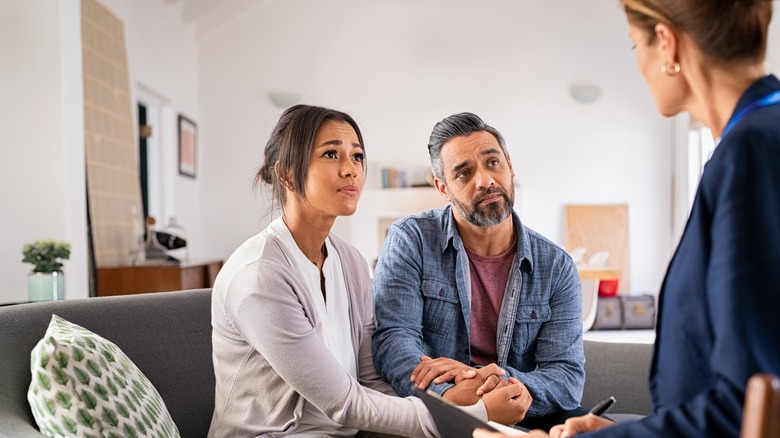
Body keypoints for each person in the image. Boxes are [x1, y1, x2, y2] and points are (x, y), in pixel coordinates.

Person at [475, 0, 780, 437]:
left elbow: (750, 407)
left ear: (666, 43)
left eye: (635, 45)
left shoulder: (752, 153)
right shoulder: (756, 139)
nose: (638, 62)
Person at [208, 104, 527, 437]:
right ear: (287, 174)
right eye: (331, 155)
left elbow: (371, 381)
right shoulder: (260, 274)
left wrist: (445, 403)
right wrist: (475, 413)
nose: (351, 170)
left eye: (357, 157)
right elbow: (344, 402)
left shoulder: (350, 262)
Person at [372, 112, 587, 432]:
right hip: (442, 409)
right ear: (442, 188)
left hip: (522, 406)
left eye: (493, 163)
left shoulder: (556, 266)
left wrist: (502, 382)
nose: (485, 180)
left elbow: (566, 374)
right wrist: (454, 397)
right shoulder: (411, 239)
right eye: (464, 173)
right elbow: (395, 341)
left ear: (510, 165)